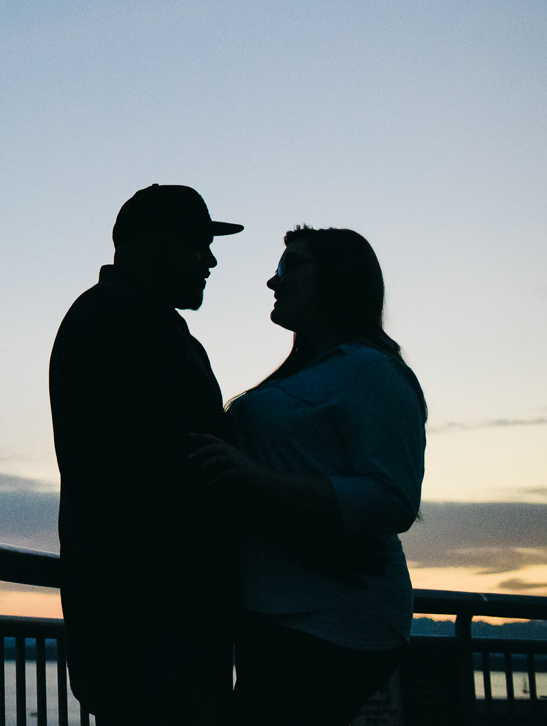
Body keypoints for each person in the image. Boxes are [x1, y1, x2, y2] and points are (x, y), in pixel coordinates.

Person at [189, 227, 426, 726]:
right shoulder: (304, 374)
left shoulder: (371, 371)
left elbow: (392, 499)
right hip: (277, 610)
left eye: (291, 266)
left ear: (337, 279)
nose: (273, 282)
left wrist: (254, 477)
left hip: (336, 616)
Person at [50, 184, 243, 725]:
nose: (210, 259)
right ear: (147, 243)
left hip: (154, 622)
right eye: (197, 243)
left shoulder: (142, 322)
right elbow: (173, 465)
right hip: (150, 627)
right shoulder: (117, 321)